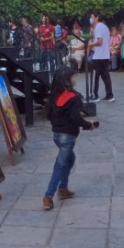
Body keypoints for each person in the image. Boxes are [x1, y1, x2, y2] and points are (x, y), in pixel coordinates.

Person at [42, 66, 97, 210]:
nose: (75, 78)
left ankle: (63, 189)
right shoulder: (74, 98)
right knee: (60, 164)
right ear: (67, 80)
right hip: (68, 136)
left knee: (70, 159)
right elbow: (75, 118)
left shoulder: (54, 96)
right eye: (73, 76)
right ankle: (48, 196)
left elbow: (50, 115)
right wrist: (88, 125)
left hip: (57, 135)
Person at [87, 11, 114, 102]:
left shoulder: (98, 27)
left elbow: (99, 42)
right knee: (106, 76)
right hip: (105, 55)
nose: (91, 19)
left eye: (92, 17)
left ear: (97, 18)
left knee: (95, 76)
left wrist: (91, 44)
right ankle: (110, 95)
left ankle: (94, 95)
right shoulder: (105, 27)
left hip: (98, 56)